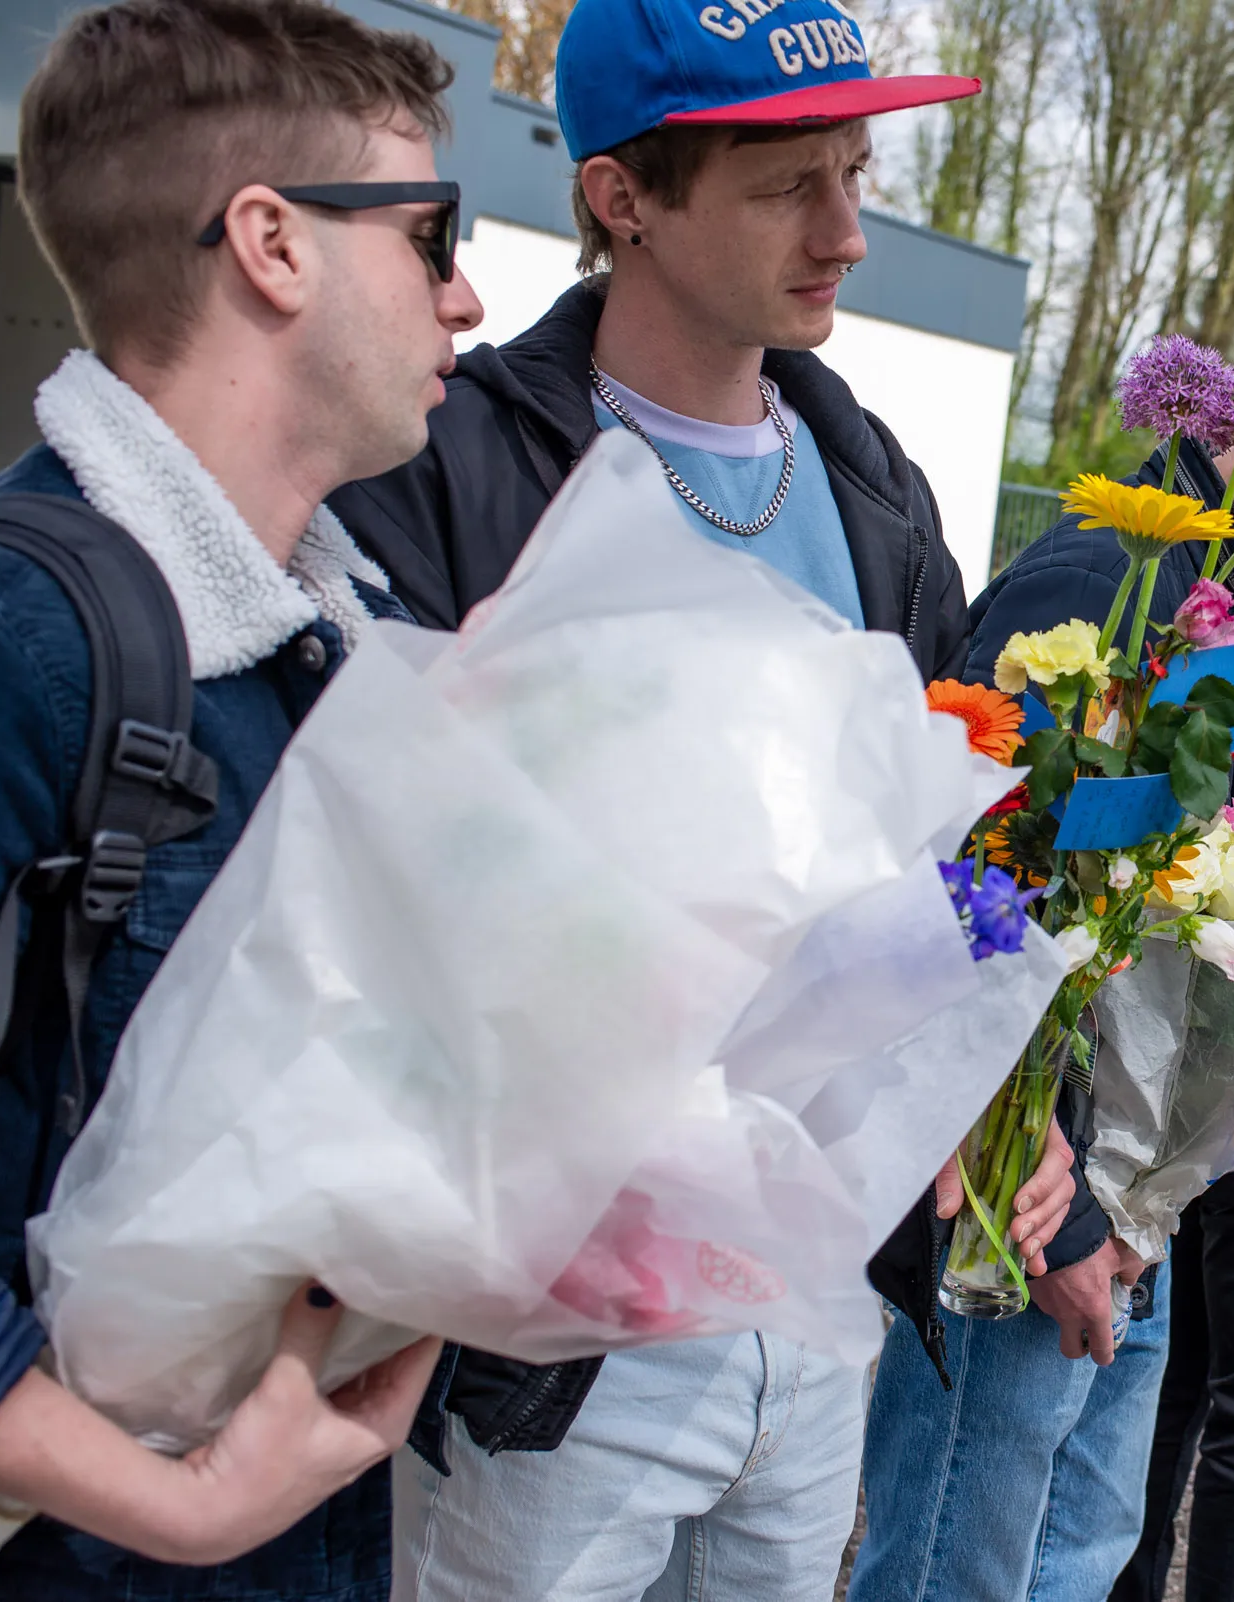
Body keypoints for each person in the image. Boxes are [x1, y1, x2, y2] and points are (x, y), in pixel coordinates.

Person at [326, 4, 1071, 1596]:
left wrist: (1003, 1096)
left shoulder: (878, 491)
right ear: (624, 199)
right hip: (554, 1339)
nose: (848, 233)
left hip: (813, 1302)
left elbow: (943, 851)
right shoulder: (458, 464)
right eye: (790, 185)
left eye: (855, 172)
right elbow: (368, 884)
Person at [0, 0, 482, 1591]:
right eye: (433, 235)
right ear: (272, 243)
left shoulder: (353, 642)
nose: (466, 296)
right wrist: (185, 1505)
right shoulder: (22, 639)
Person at [847, 327, 1234, 1602]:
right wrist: (1061, 1205)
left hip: (1131, 1193)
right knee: (965, 1565)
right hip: (1026, 1199)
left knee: (1082, 1550)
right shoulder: (1107, 579)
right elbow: (978, 897)